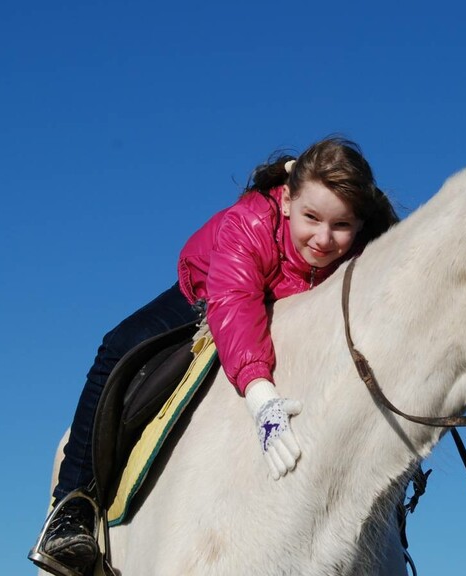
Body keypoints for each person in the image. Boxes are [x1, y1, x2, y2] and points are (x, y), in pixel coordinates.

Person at [30, 137, 399, 576]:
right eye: (312, 217)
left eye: (341, 225)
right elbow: (236, 303)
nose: (322, 238)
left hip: (292, 308)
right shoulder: (249, 223)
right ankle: (73, 507)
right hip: (208, 296)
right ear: (285, 201)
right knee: (117, 347)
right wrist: (259, 394)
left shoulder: (359, 256)